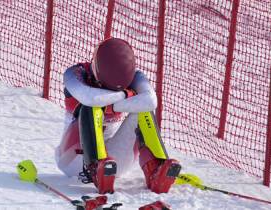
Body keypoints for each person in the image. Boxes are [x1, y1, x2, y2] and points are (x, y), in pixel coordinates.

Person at [55, 37, 181, 194]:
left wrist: (115, 99)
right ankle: (95, 167)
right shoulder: (75, 73)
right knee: (91, 107)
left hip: (113, 165)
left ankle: (156, 168)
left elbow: (150, 101)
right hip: (74, 160)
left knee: (143, 110)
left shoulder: (136, 76)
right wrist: (126, 95)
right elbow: (91, 98)